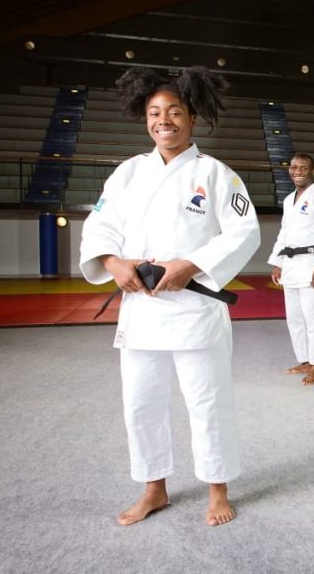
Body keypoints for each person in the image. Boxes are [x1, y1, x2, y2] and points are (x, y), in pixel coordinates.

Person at [79, 66, 261, 526]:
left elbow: (245, 232)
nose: (164, 121)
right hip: (142, 309)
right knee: (141, 403)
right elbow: (100, 227)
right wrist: (113, 264)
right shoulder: (127, 173)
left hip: (195, 310)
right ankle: (154, 488)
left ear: (192, 118)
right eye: (155, 112)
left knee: (207, 402)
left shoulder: (216, 174)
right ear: (145, 119)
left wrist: (191, 265)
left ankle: (217, 489)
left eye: (174, 112)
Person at [268, 152, 314, 385]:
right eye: (294, 167)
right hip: (290, 265)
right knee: (295, 319)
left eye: (303, 168)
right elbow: (284, 233)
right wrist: (278, 262)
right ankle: (306, 359)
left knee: (313, 318)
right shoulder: (290, 199)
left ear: (313, 171)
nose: (297, 171)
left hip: (312, 264)